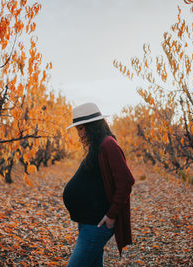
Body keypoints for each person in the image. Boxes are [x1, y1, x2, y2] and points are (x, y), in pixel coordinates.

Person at [63, 102, 135, 266]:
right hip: (87, 221)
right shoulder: (97, 146)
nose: (79, 133)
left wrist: (111, 215)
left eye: (81, 128)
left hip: (97, 224)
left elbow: (126, 182)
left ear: (93, 126)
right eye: (77, 129)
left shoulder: (108, 144)